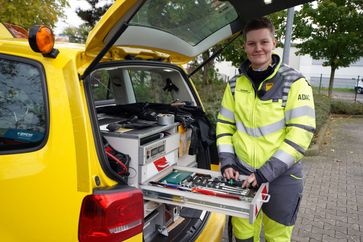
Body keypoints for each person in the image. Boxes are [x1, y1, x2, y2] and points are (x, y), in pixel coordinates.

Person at [216, 17, 315, 242]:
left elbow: (301, 133)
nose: (258, 48)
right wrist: (227, 161)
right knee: (242, 234)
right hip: (242, 174)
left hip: (282, 178)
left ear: (274, 42)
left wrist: (265, 173)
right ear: (245, 46)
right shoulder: (234, 84)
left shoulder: (294, 81)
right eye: (251, 43)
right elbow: (224, 125)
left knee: (277, 237)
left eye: (264, 42)